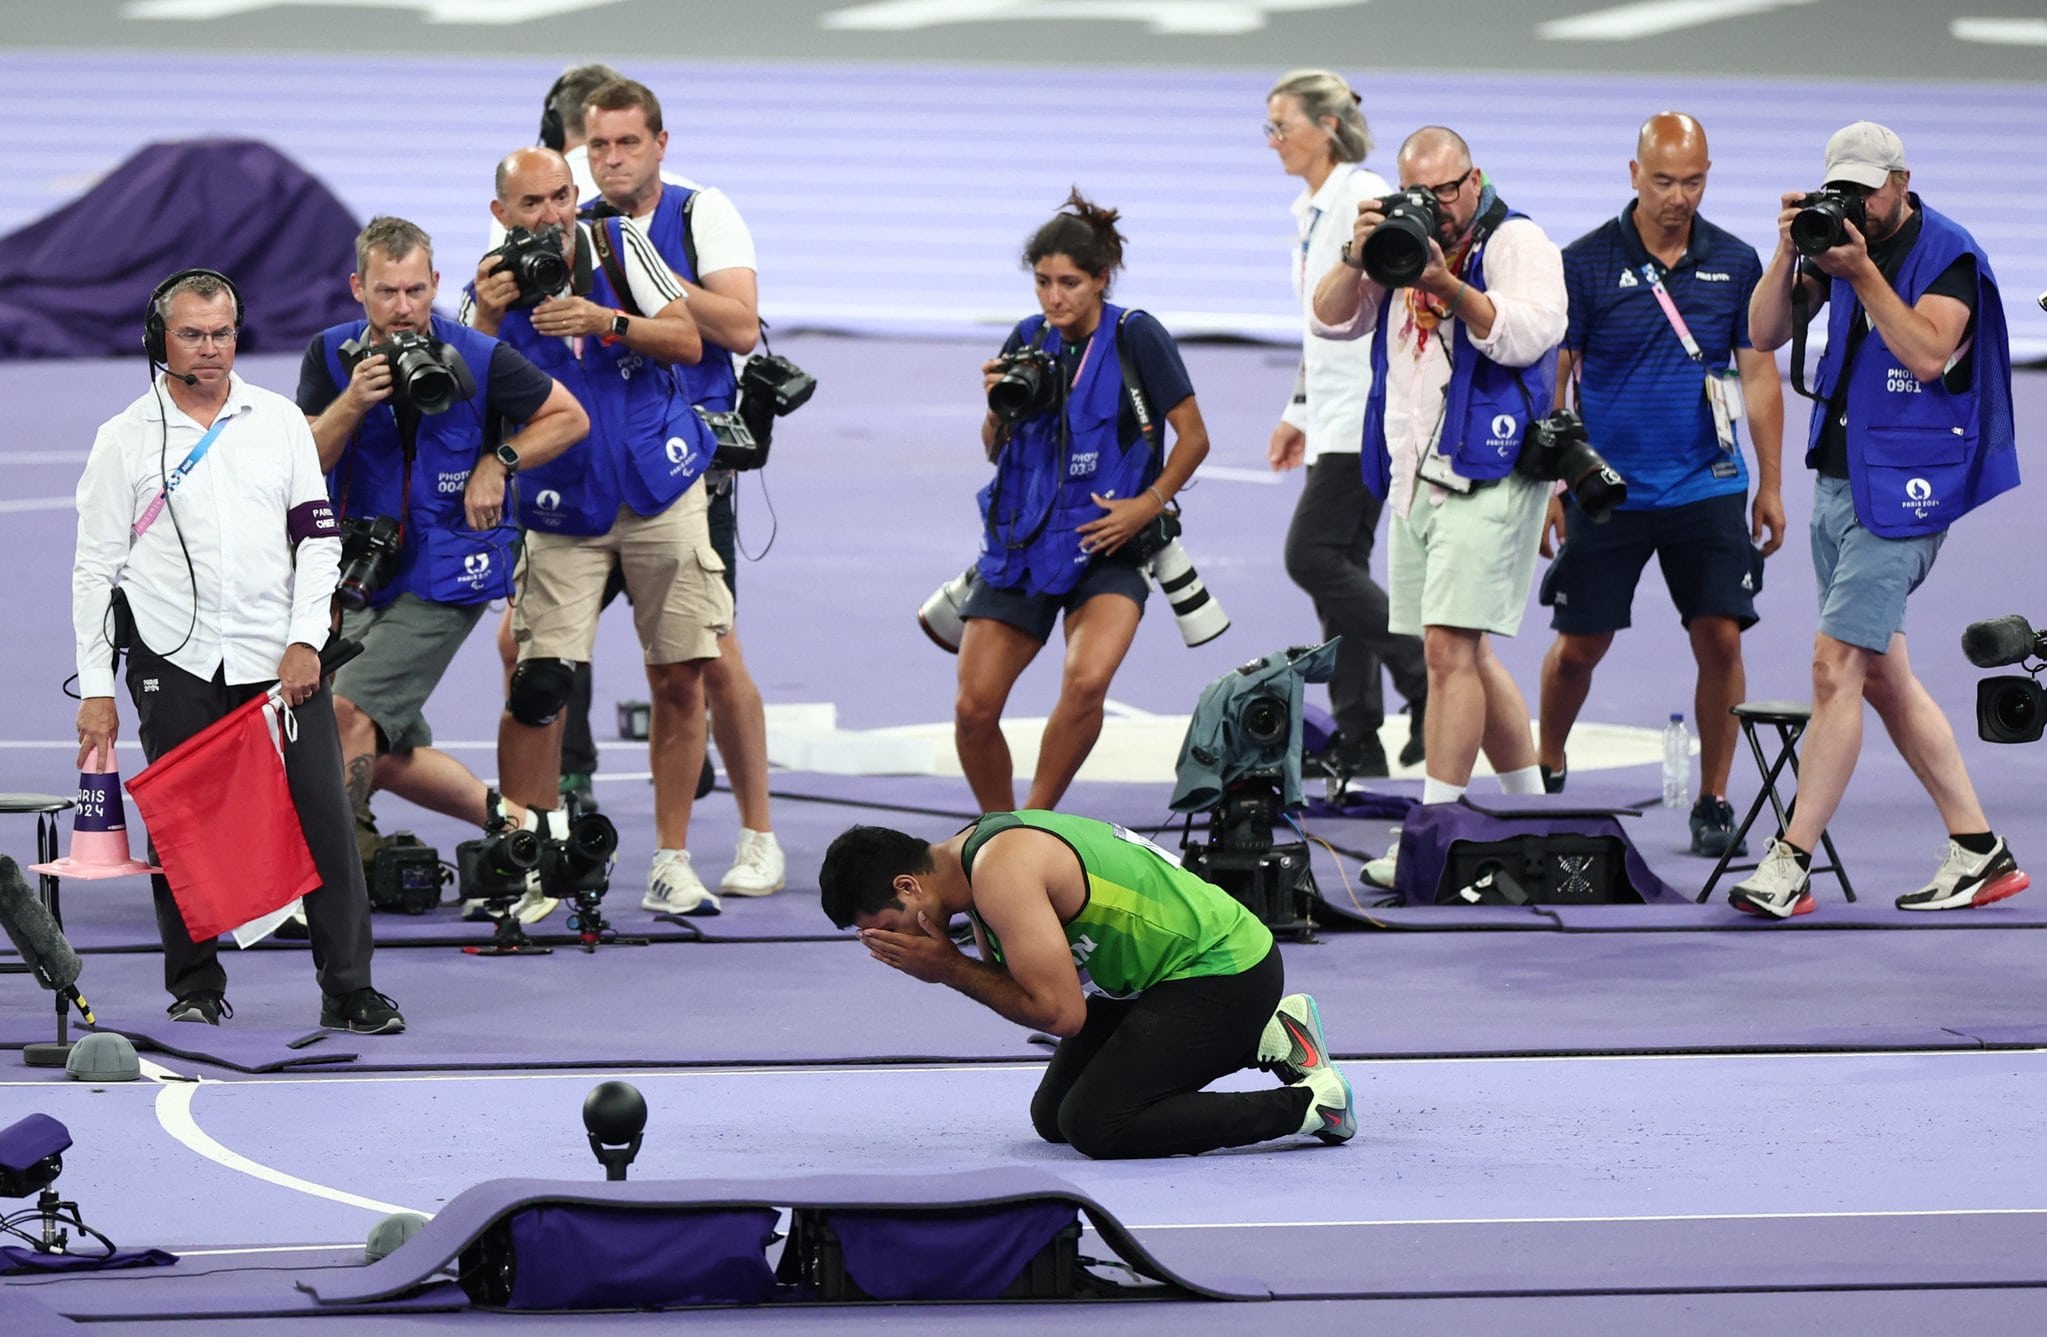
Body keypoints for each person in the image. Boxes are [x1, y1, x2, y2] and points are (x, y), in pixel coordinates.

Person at [71, 269, 402, 1033]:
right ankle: (194, 984)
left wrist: (303, 640)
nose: (211, 349)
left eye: (222, 333)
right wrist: (96, 688)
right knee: (184, 827)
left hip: (280, 664)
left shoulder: (280, 421)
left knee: (324, 818)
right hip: (171, 659)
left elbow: (318, 540)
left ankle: (348, 987)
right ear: (159, 340)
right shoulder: (124, 439)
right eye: (192, 334)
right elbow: (94, 569)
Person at [1738, 121, 2026, 918]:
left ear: (1901, 180)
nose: (1858, 204)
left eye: (1871, 189)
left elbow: (1927, 354)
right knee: (1884, 679)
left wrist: (1859, 273)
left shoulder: (1949, 254)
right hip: (1839, 479)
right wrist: (1789, 251)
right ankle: (1978, 849)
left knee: (1835, 667)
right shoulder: (1831, 239)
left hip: (1907, 488)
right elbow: (1762, 333)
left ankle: (1789, 863)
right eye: (1847, 190)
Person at [464, 146, 734, 916]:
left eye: (558, 197)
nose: (550, 216)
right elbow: (466, 397)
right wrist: (486, 316)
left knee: (680, 676)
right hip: (562, 509)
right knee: (539, 685)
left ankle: (672, 863)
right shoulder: (489, 284)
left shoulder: (616, 244)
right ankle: (532, 859)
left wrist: (605, 320)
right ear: (501, 214)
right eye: (530, 204)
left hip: (659, 489)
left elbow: (688, 340)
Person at [297, 216, 587, 919]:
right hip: (364, 570)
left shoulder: (478, 355)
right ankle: (525, 833)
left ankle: (320, 887)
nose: (403, 307)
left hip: (448, 572)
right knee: (389, 752)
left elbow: (568, 417)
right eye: (388, 291)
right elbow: (304, 457)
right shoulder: (331, 355)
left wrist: (500, 459)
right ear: (358, 288)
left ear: (434, 285)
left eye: (417, 290)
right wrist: (353, 401)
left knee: (345, 715)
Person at [1536, 113, 1786, 856]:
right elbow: (1557, 376)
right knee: (1579, 646)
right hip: (1606, 489)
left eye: (1694, 180)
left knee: (1718, 635)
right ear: (1633, 173)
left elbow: (1760, 374)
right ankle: (1544, 762)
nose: (1679, 196)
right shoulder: (1581, 263)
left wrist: (1767, 482)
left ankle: (1712, 797)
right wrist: (1552, 483)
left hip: (1704, 484)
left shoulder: (1736, 262)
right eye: (1664, 180)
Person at [819, 813, 1354, 1158]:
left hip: (1225, 970)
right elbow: (1022, 983)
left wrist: (947, 968)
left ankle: (1311, 1106)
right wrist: (953, 963)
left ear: (908, 887)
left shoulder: (1000, 872)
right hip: (1158, 981)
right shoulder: (966, 862)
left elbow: (1061, 1014)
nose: (893, 944)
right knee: (1052, 1119)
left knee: (1097, 1125)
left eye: (888, 930)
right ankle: (1273, 1036)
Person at [1310, 126, 1567, 807]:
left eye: (1447, 190)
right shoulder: (1395, 249)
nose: (1436, 204)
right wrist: (1356, 252)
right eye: (1419, 192)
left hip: (1490, 468)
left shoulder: (1515, 241)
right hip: (1415, 474)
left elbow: (1527, 334)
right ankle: (1527, 809)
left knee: (1449, 651)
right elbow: (1329, 321)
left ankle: (1434, 827)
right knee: (1468, 654)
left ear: (1473, 180)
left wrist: (1444, 283)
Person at [578, 76, 785, 904]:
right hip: (589, 471)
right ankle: (556, 819)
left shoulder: (703, 213)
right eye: (600, 145)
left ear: (661, 144)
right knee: (526, 649)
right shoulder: (570, 221)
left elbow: (736, 329)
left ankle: (757, 834)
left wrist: (645, 268)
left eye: (629, 142)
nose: (614, 158)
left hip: (684, 470)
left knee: (711, 659)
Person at [957, 190, 1211, 814]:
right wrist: (997, 409)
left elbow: (1195, 438)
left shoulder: (1137, 336)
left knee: (1088, 680)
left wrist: (1146, 504)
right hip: (1026, 542)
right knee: (973, 708)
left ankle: (1037, 822)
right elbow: (995, 448)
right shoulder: (1027, 337)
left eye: (1069, 282)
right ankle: (998, 829)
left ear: (1101, 279)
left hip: (1109, 543)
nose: (1054, 297)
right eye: (1042, 282)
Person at [1263, 69, 1426, 780]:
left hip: (1367, 411)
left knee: (1313, 557)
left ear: (1326, 127)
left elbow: (1383, 304)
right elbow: (1318, 325)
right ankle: (1359, 737)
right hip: (1331, 413)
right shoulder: (1312, 208)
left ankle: (1422, 673)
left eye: (1282, 126)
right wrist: (1296, 410)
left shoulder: (1361, 197)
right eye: (1268, 128)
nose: (1272, 141)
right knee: (1340, 573)